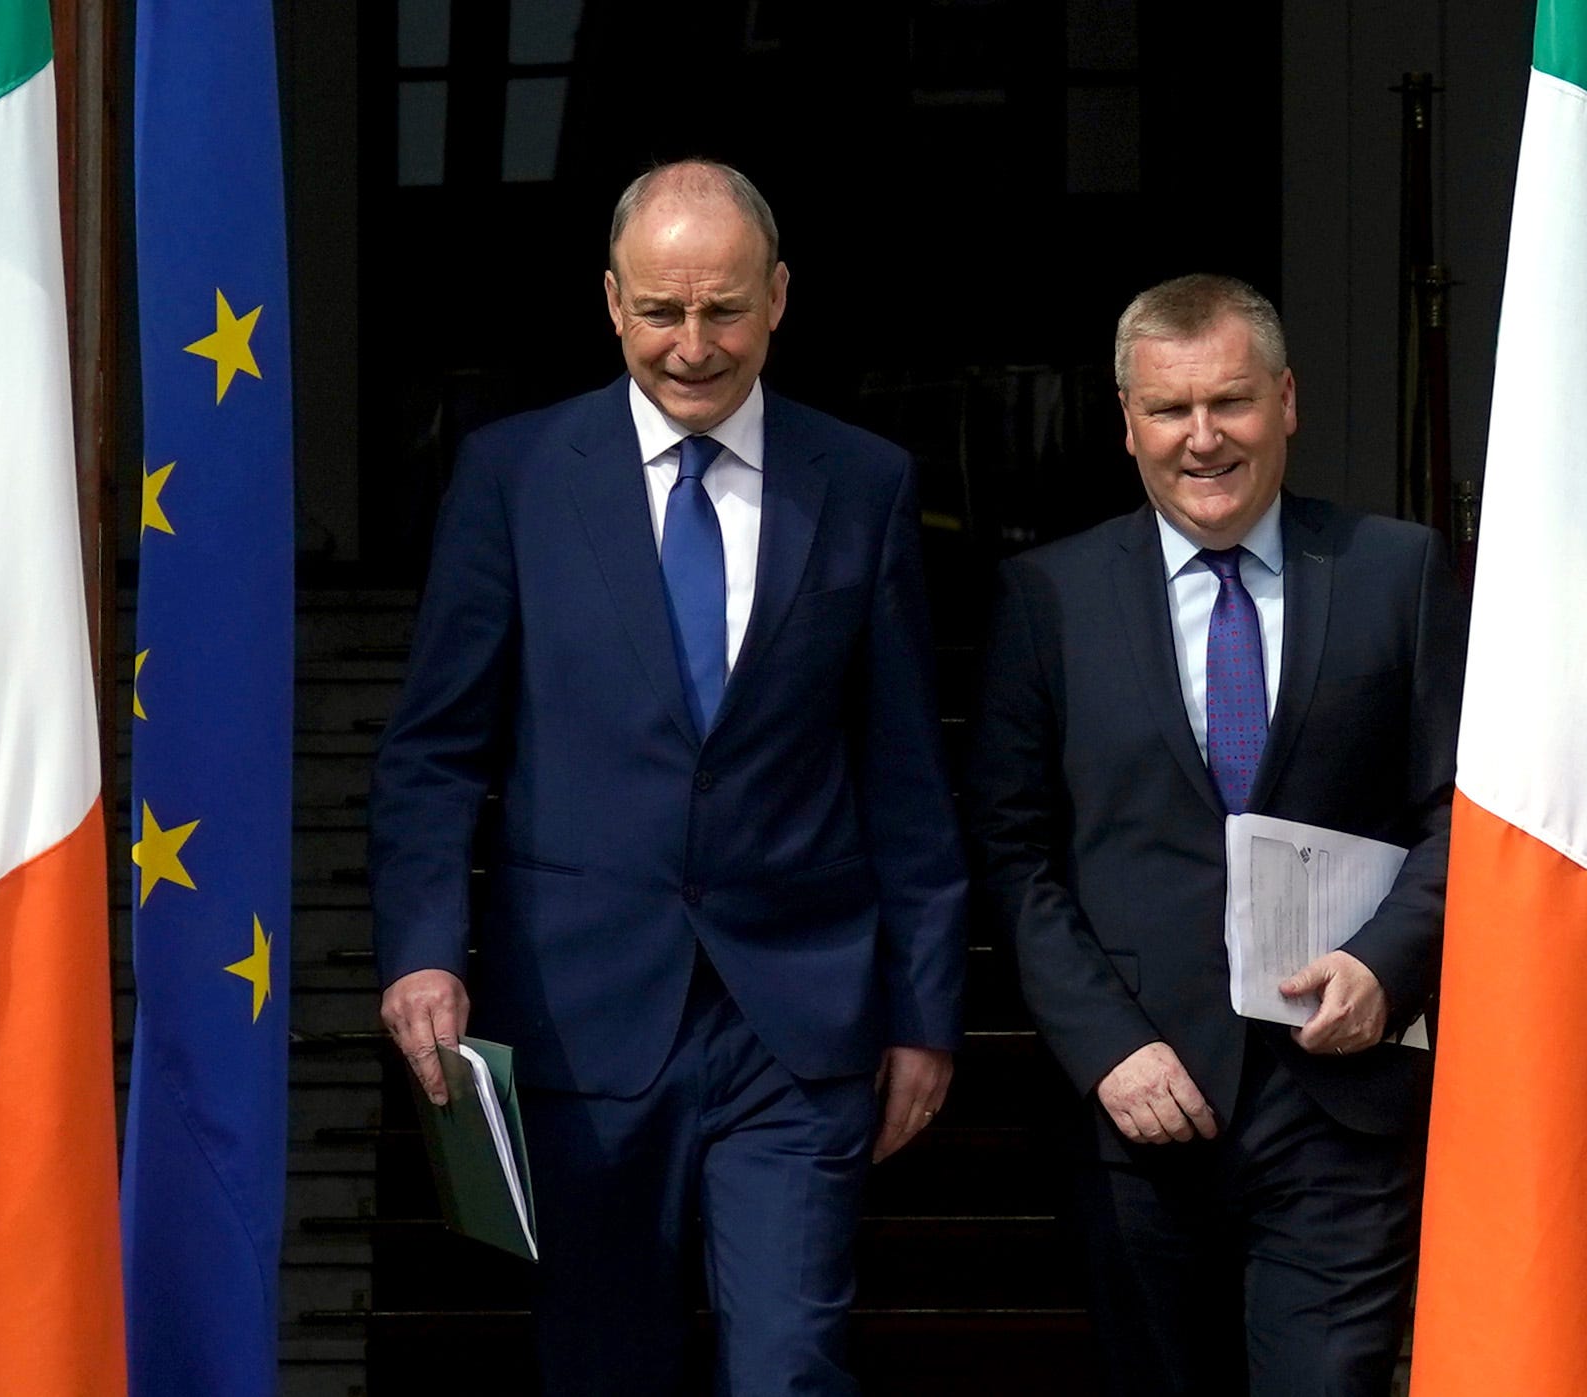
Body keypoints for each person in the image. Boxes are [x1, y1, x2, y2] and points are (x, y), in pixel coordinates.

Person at [368, 159, 967, 1396]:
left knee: (791, 1361)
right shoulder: (514, 477)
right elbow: (436, 749)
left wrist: (921, 1007)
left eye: (723, 309)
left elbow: (904, 771)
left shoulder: (861, 482)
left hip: (793, 1015)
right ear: (609, 302)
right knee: (601, 1361)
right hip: (580, 1010)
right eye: (660, 311)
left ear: (780, 298)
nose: (691, 346)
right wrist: (424, 946)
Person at [964, 273, 1466, 1396]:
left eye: (1230, 402)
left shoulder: (1396, 572)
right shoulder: (1045, 597)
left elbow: (1457, 814)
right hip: (1139, 1099)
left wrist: (1385, 967)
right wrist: (1106, 1046)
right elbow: (1009, 850)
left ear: (1285, 401)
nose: (1202, 438)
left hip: (1338, 1095)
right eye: (1169, 409)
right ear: (1126, 422)